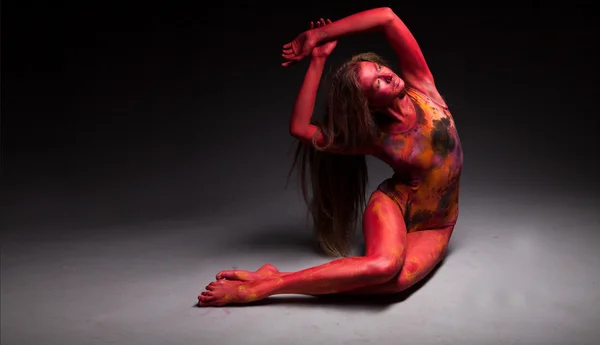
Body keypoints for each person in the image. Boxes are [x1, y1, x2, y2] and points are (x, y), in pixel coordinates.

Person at [198, 7, 463, 307]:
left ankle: (271, 279)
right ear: (368, 106)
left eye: (378, 68)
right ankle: (271, 285)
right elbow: (300, 128)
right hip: (394, 204)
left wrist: (320, 35)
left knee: (396, 283)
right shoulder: (372, 138)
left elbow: (388, 17)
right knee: (384, 267)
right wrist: (318, 62)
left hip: (437, 223)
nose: (386, 74)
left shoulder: (424, 88)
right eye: (376, 83)